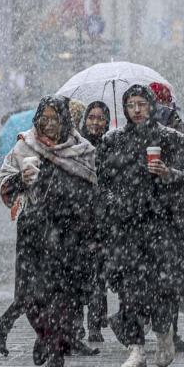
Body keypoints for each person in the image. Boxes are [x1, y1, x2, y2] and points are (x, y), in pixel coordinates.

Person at [0, 96, 97, 367]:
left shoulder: (81, 150)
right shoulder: (25, 145)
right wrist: (21, 179)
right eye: (45, 119)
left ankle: (57, 350)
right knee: (31, 295)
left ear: (65, 121)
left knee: (63, 296)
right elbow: (5, 186)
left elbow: (92, 191)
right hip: (33, 233)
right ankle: (45, 335)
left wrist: (91, 234)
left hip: (70, 233)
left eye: (55, 119)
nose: (50, 124)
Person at [102, 85, 184, 367]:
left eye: (142, 103)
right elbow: (103, 183)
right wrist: (115, 203)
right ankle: (136, 350)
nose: (137, 109)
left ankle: (164, 332)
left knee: (161, 287)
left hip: (161, 225)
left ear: (151, 106)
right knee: (129, 290)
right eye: (131, 105)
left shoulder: (171, 138)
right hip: (126, 226)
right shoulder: (113, 140)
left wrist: (168, 174)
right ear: (124, 109)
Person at [148, 81, 184, 353]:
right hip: (147, 215)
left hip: (176, 215)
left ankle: (170, 330)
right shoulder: (139, 132)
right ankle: (153, 325)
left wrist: (169, 173)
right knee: (149, 276)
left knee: (174, 279)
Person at [81, 101, 111, 342]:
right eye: (91, 117)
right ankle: (77, 323)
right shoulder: (76, 146)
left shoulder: (112, 146)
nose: (95, 122)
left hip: (102, 219)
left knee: (97, 275)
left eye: (100, 118)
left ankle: (94, 324)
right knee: (77, 275)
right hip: (78, 218)